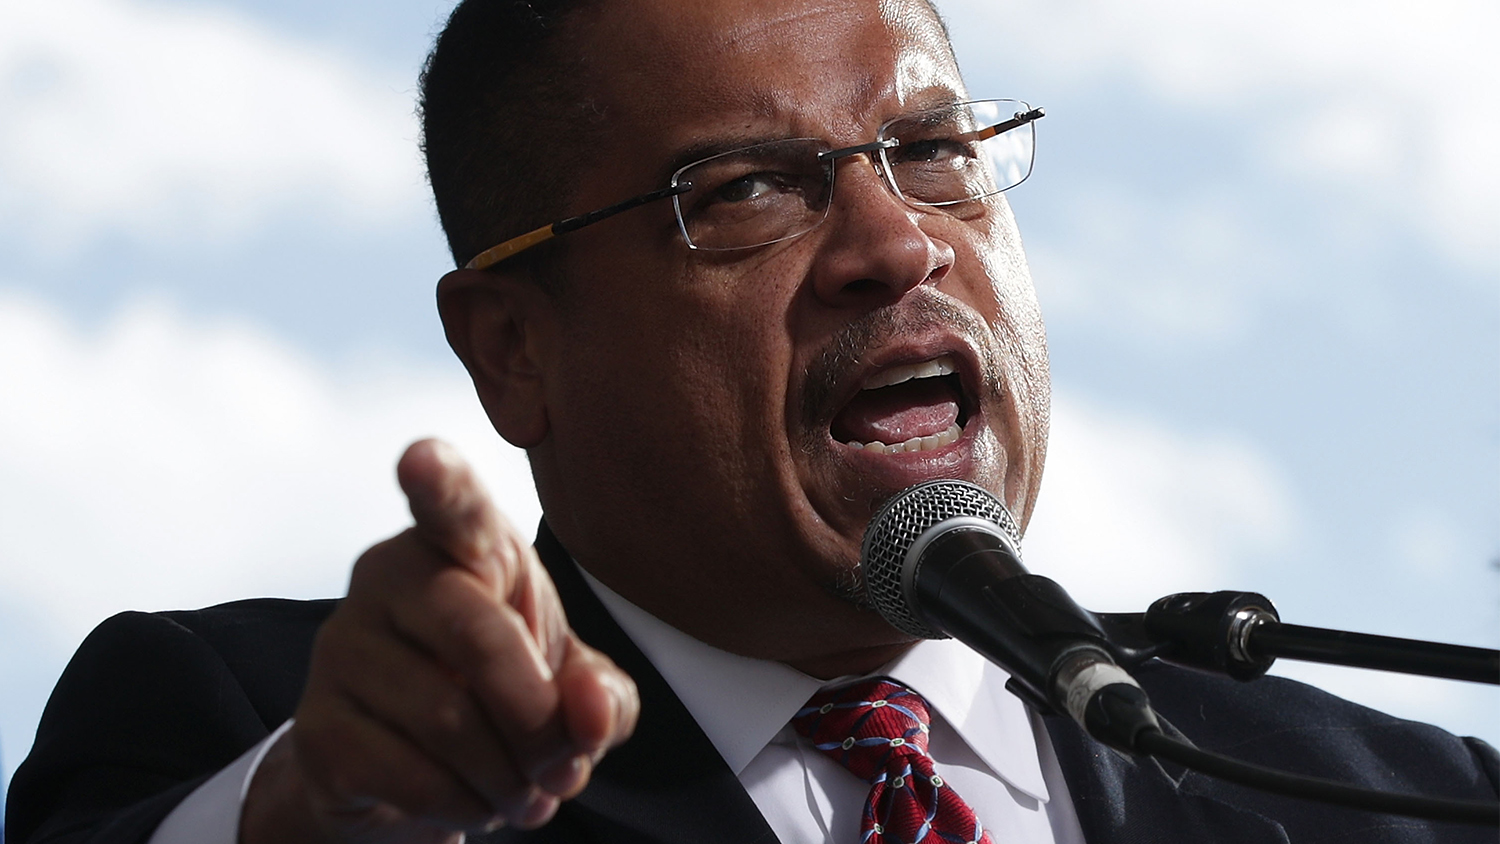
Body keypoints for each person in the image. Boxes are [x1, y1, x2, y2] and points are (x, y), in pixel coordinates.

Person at [6, 0, 1497, 842]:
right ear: (514, 351)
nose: (898, 246)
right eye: (747, 189)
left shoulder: (1414, 808)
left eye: (934, 150)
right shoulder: (274, 740)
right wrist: (317, 816)